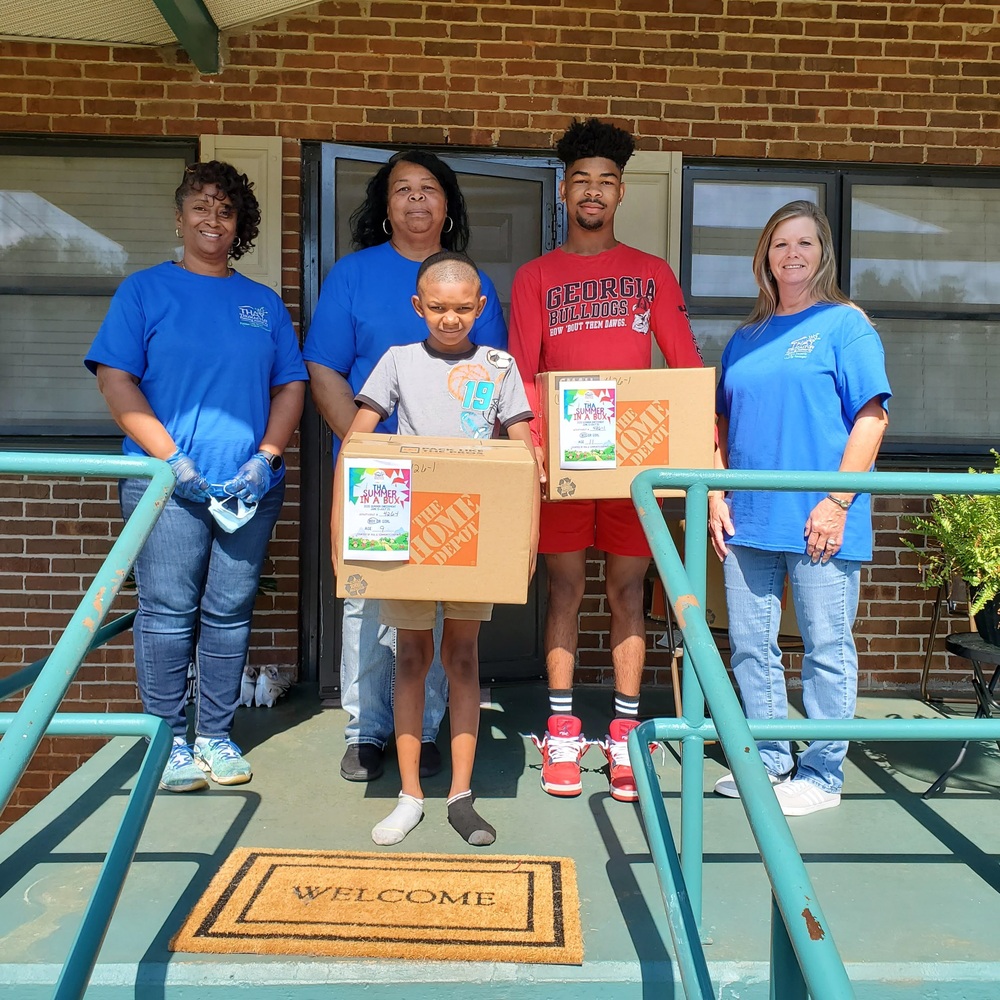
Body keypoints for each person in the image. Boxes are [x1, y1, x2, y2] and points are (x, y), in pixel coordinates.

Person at [85, 161, 307, 792]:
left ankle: (213, 734)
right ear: (180, 215)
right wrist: (171, 460)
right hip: (166, 487)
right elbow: (115, 380)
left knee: (230, 612)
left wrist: (265, 458)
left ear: (240, 225)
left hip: (247, 489)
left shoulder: (261, 304)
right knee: (166, 612)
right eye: (201, 206)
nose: (213, 219)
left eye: (226, 210)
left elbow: (289, 384)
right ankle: (167, 740)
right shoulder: (143, 291)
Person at [507, 118, 705, 803]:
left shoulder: (650, 274)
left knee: (627, 594)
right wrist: (530, 448)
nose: (594, 191)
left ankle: (623, 732)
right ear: (564, 192)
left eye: (607, 181)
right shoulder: (536, 276)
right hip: (562, 465)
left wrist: (699, 444)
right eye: (582, 180)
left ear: (622, 193)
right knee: (563, 591)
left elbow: (683, 366)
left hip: (633, 468)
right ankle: (562, 728)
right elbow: (523, 373)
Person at [304, 150, 508, 785]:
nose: (416, 200)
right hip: (381, 477)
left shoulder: (475, 283)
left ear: (448, 204)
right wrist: (372, 450)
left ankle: (432, 725)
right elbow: (324, 368)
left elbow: (494, 378)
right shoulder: (352, 275)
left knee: (443, 606)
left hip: (455, 475)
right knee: (369, 599)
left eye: (428, 190)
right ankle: (365, 730)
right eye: (402, 190)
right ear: (384, 204)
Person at [332, 251, 540, 845]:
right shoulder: (397, 361)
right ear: (418, 307)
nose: (451, 320)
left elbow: (523, 454)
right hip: (409, 538)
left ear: (480, 306)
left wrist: (522, 539)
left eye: (462, 309)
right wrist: (343, 533)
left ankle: (462, 796)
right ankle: (408, 795)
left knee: (464, 657)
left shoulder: (499, 366)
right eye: (439, 308)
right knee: (412, 658)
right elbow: (357, 443)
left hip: (473, 536)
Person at [708, 199, 891, 817]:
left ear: (823, 253)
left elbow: (872, 418)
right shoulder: (745, 337)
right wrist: (716, 493)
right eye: (780, 243)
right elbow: (720, 424)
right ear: (764, 254)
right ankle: (768, 759)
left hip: (821, 518)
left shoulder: (845, 324)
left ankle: (821, 774)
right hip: (749, 517)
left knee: (825, 646)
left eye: (805, 243)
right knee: (752, 646)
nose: (792, 254)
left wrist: (838, 502)